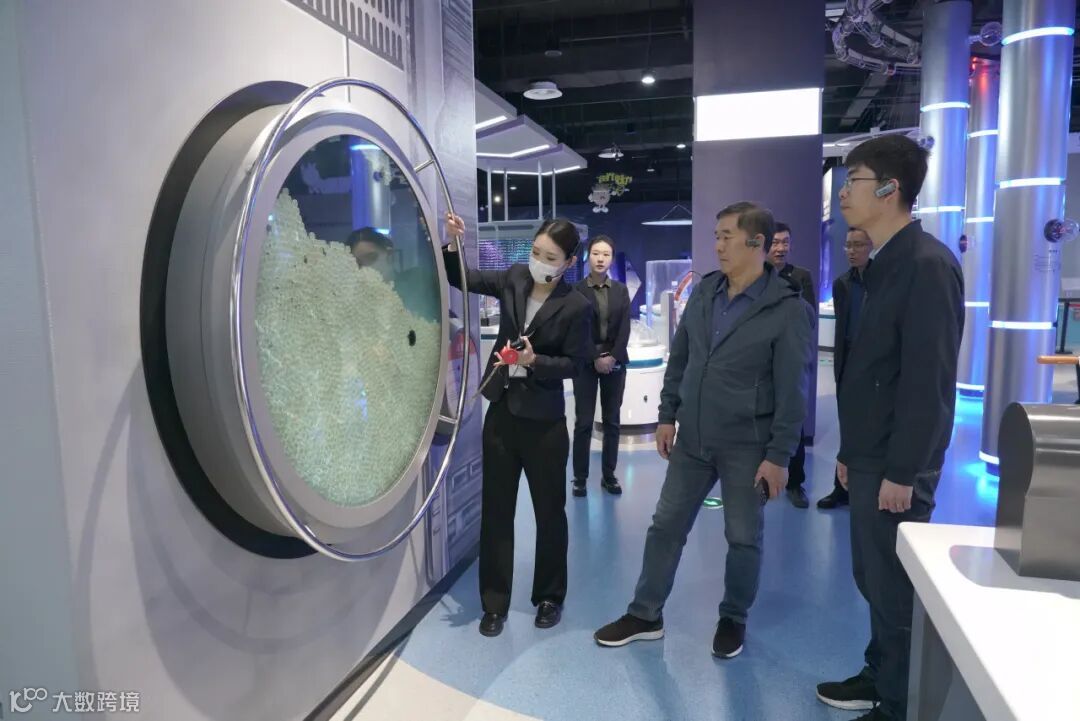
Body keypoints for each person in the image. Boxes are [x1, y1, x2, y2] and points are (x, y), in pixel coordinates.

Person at [593, 201, 812, 658]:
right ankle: (645, 613)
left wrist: (778, 457)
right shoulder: (706, 291)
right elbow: (682, 357)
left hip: (747, 446)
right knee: (665, 527)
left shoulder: (786, 309)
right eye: (716, 236)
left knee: (743, 537)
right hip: (692, 438)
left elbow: (793, 392)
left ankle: (733, 616)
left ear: (757, 243)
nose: (718, 245)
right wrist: (666, 414)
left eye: (727, 236)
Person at [814, 135, 963, 721]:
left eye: (852, 180)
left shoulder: (926, 265)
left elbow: (929, 381)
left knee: (894, 588)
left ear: (889, 189)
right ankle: (881, 674)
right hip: (870, 453)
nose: (842, 192)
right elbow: (871, 370)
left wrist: (903, 470)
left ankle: (900, 704)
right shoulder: (880, 266)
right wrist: (851, 451)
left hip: (897, 464)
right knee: (872, 577)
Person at [443, 213, 592, 638]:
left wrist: (535, 360)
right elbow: (463, 278)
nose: (539, 261)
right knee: (496, 512)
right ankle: (494, 603)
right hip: (502, 415)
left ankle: (549, 597)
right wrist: (453, 243)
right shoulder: (513, 278)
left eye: (551, 257)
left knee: (550, 514)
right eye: (536, 252)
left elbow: (576, 365)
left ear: (569, 262)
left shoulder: (576, 306)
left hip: (545, 425)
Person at [817, 227, 873, 510]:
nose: (852, 251)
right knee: (847, 429)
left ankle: (865, 489)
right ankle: (842, 488)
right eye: (848, 245)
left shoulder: (884, 282)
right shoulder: (842, 284)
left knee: (871, 429)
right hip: (848, 364)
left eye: (858, 245)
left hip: (874, 366)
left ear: (871, 246)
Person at [572, 235, 631, 497]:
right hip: (585, 362)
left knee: (612, 422)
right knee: (584, 422)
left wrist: (612, 357)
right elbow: (577, 329)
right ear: (588, 256)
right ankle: (580, 478)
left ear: (611, 258)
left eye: (606, 254)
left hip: (615, 362)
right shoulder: (576, 290)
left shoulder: (621, 290)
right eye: (596, 253)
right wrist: (595, 357)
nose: (600, 259)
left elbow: (625, 328)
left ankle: (609, 475)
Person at [769, 222, 817, 509]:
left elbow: (809, 319)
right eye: (775, 242)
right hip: (762, 361)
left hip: (790, 360)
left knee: (793, 423)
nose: (781, 248)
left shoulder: (800, 277)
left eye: (785, 242)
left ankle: (795, 483)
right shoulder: (756, 276)